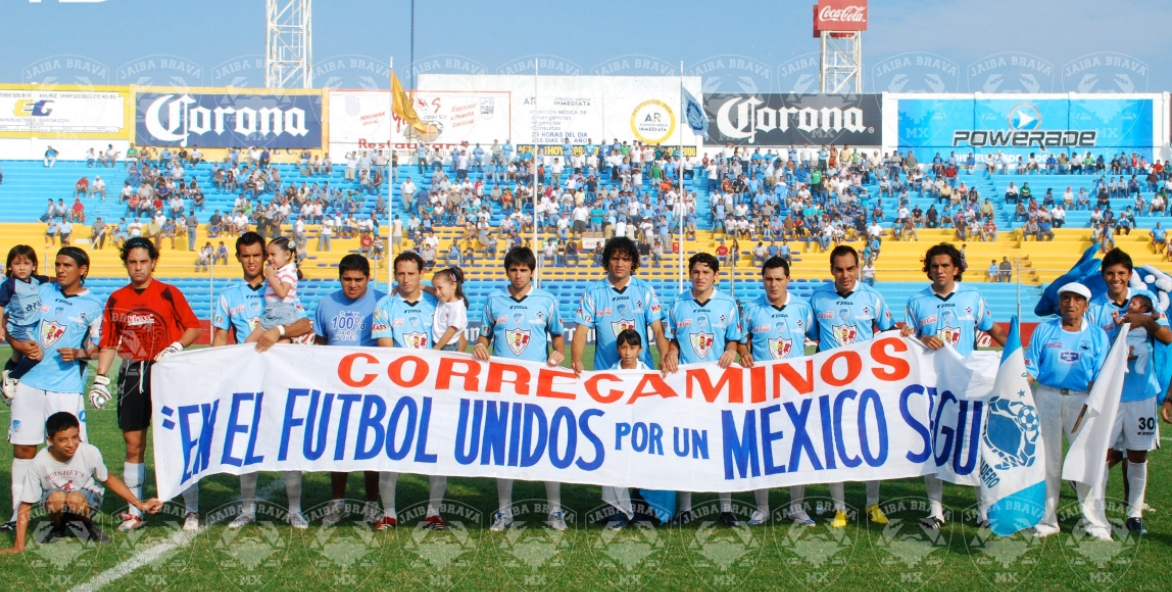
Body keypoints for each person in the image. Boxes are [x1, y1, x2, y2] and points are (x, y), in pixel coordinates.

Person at [90, 238, 203, 531]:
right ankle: (135, 511)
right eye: (132, 262)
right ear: (126, 263)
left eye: (143, 261)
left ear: (153, 262)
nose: (138, 267)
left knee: (178, 441)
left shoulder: (168, 292)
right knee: (133, 443)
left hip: (167, 372)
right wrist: (100, 377)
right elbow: (108, 342)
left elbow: (193, 327)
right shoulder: (116, 298)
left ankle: (192, 510)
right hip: (132, 374)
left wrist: (176, 346)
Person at [212, 232, 315, 529]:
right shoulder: (229, 294)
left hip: (282, 374)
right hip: (247, 378)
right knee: (246, 442)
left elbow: (304, 324)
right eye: (246, 255)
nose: (253, 260)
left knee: (289, 439)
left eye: (257, 254)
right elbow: (220, 338)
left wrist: (280, 332)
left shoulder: (280, 283)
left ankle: (294, 509)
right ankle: (247, 509)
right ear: (239, 258)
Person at [906, 243, 1008, 530]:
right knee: (933, 447)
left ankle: (985, 512)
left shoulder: (973, 297)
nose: (939, 270)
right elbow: (906, 342)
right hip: (933, 386)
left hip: (968, 386)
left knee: (976, 447)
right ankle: (936, 511)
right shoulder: (916, 301)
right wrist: (922, 339)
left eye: (945, 265)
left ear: (956, 268)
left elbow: (994, 330)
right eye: (934, 265)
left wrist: (1017, 357)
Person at [571, 237, 671, 525]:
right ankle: (616, 510)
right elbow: (580, 332)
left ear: (632, 262)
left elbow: (658, 331)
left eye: (625, 258)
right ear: (608, 261)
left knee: (643, 445)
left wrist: (665, 357)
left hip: (643, 381)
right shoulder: (594, 291)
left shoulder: (644, 290)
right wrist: (577, 358)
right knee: (612, 448)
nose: (619, 263)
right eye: (614, 258)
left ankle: (644, 507)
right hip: (608, 382)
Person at [0, 248, 102, 532]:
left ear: (82, 269)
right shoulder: (41, 291)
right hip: (30, 384)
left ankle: (73, 512)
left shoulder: (93, 304)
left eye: (67, 265)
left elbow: (100, 349)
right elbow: (10, 323)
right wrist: (18, 345)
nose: (60, 269)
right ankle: (15, 516)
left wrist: (80, 352)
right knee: (23, 449)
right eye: (57, 264)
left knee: (68, 451)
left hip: (65, 390)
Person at [808, 245, 906, 528]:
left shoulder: (872, 297)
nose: (845, 274)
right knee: (833, 445)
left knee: (870, 444)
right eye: (839, 269)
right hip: (828, 385)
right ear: (831, 270)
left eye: (850, 268)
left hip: (865, 384)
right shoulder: (818, 298)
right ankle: (840, 509)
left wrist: (905, 335)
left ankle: (872, 504)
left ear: (858, 268)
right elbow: (813, 335)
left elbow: (889, 333)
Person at [472, 247, 569, 532]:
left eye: (524, 270)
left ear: (532, 271)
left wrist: (559, 354)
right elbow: (483, 339)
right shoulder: (493, 300)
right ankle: (504, 512)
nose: (518, 275)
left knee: (547, 446)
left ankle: (555, 511)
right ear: (507, 271)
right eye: (513, 270)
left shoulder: (547, 300)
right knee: (505, 449)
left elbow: (559, 341)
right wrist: (479, 345)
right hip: (503, 387)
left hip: (538, 386)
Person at [1086, 249, 1172, 535]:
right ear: (1103, 276)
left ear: (1129, 275)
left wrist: (1145, 320)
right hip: (1109, 394)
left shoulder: (1144, 301)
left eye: (1121, 273)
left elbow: (1167, 337)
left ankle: (1134, 513)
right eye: (1110, 273)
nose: (1116, 278)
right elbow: (1091, 348)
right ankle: (1095, 511)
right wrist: (1115, 357)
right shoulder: (1096, 307)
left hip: (1142, 393)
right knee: (1102, 454)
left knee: (1137, 454)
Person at [370, 252, 453, 530]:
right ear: (395, 275)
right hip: (396, 388)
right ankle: (389, 513)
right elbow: (385, 348)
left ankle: (433, 512)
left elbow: (455, 339)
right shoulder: (385, 305)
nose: (406, 279)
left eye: (411, 273)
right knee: (389, 451)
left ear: (421, 274)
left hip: (433, 388)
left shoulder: (437, 303)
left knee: (435, 452)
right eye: (401, 274)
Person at [0, 412, 163, 552]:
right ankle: (58, 527)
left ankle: (88, 527)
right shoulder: (40, 461)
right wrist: (18, 545)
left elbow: (109, 479)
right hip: (57, 500)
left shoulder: (89, 452)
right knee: (56, 497)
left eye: (75, 437)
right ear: (50, 440)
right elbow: (26, 503)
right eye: (63, 440)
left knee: (75, 498)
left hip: (87, 499)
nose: (71, 444)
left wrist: (139, 505)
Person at [662, 252, 744, 528]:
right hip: (685, 386)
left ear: (715, 276)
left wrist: (732, 351)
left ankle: (727, 508)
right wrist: (671, 352)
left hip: (719, 386)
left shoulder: (728, 304)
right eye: (696, 272)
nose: (700, 277)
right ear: (690, 274)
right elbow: (674, 341)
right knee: (685, 446)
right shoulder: (677, 304)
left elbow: (734, 341)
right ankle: (684, 509)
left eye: (706, 272)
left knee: (724, 446)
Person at [1025, 282, 1111, 540]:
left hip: (1082, 402)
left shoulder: (1097, 336)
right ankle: (1046, 521)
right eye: (1065, 299)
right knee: (1047, 462)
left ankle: (1095, 523)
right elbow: (1031, 370)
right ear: (1059, 303)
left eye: (1077, 299)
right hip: (1047, 398)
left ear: (1086, 305)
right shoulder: (1043, 330)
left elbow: (1101, 376)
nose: (1070, 304)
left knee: (1088, 461)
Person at [737, 256, 817, 527]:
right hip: (761, 389)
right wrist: (744, 353)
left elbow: (820, 337)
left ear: (788, 280)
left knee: (797, 448)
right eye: (769, 279)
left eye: (779, 278)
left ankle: (797, 508)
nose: (774, 284)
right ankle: (762, 508)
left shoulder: (803, 309)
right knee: (761, 449)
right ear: (763, 280)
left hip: (795, 390)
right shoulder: (751, 309)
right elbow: (740, 342)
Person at [313, 254, 386, 527]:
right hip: (335, 388)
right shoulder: (326, 303)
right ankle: (337, 505)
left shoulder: (383, 301)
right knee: (338, 447)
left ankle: (371, 505)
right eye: (347, 279)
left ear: (368, 278)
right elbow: (320, 343)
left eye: (358, 279)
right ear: (339, 278)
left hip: (372, 387)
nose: (352, 285)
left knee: (372, 448)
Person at [0, 246, 51, 401]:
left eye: (26, 263)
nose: (22, 267)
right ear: (10, 266)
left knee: (17, 356)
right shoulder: (9, 284)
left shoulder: (37, 281)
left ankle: (5, 377)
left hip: (33, 326)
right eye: (17, 263)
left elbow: (51, 279)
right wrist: (0, 328)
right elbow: (1, 305)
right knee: (37, 355)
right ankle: (12, 378)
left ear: (34, 265)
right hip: (19, 327)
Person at [245, 237, 300, 344]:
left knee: (250, 342)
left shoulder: (289, 272)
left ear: (287, 255)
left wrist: (270, 277)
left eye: (273, 255)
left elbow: (282, 293)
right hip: (272, 312)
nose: (269, 258)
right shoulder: (280, 271)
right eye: (267, 255)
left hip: (281, 314)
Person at [430, 267, 468, 352]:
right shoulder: (444, 298)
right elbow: (429, 290)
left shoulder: (457, 307)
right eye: (435, 289)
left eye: (440, 288)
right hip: (440, 343)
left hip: (447, 346)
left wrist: (437, 347)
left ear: (453, 285)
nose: (437, 293)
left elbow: (450, 331)